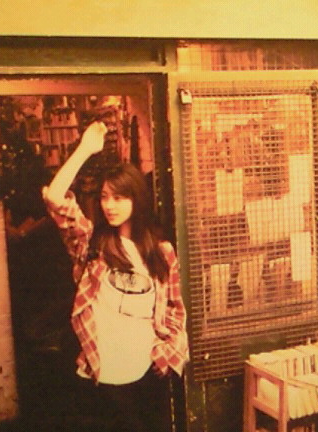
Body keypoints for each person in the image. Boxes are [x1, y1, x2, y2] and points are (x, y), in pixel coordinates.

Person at [42, 121, 189, 432]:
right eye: (105, 197)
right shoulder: (91, 243)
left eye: (119, 198)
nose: (109, 205)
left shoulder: (161, 252)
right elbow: (55, 198)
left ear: (137, 199)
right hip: (98, 374)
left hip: (144, 374)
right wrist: (85, 149)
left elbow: (175, 311)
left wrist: (166, 353)